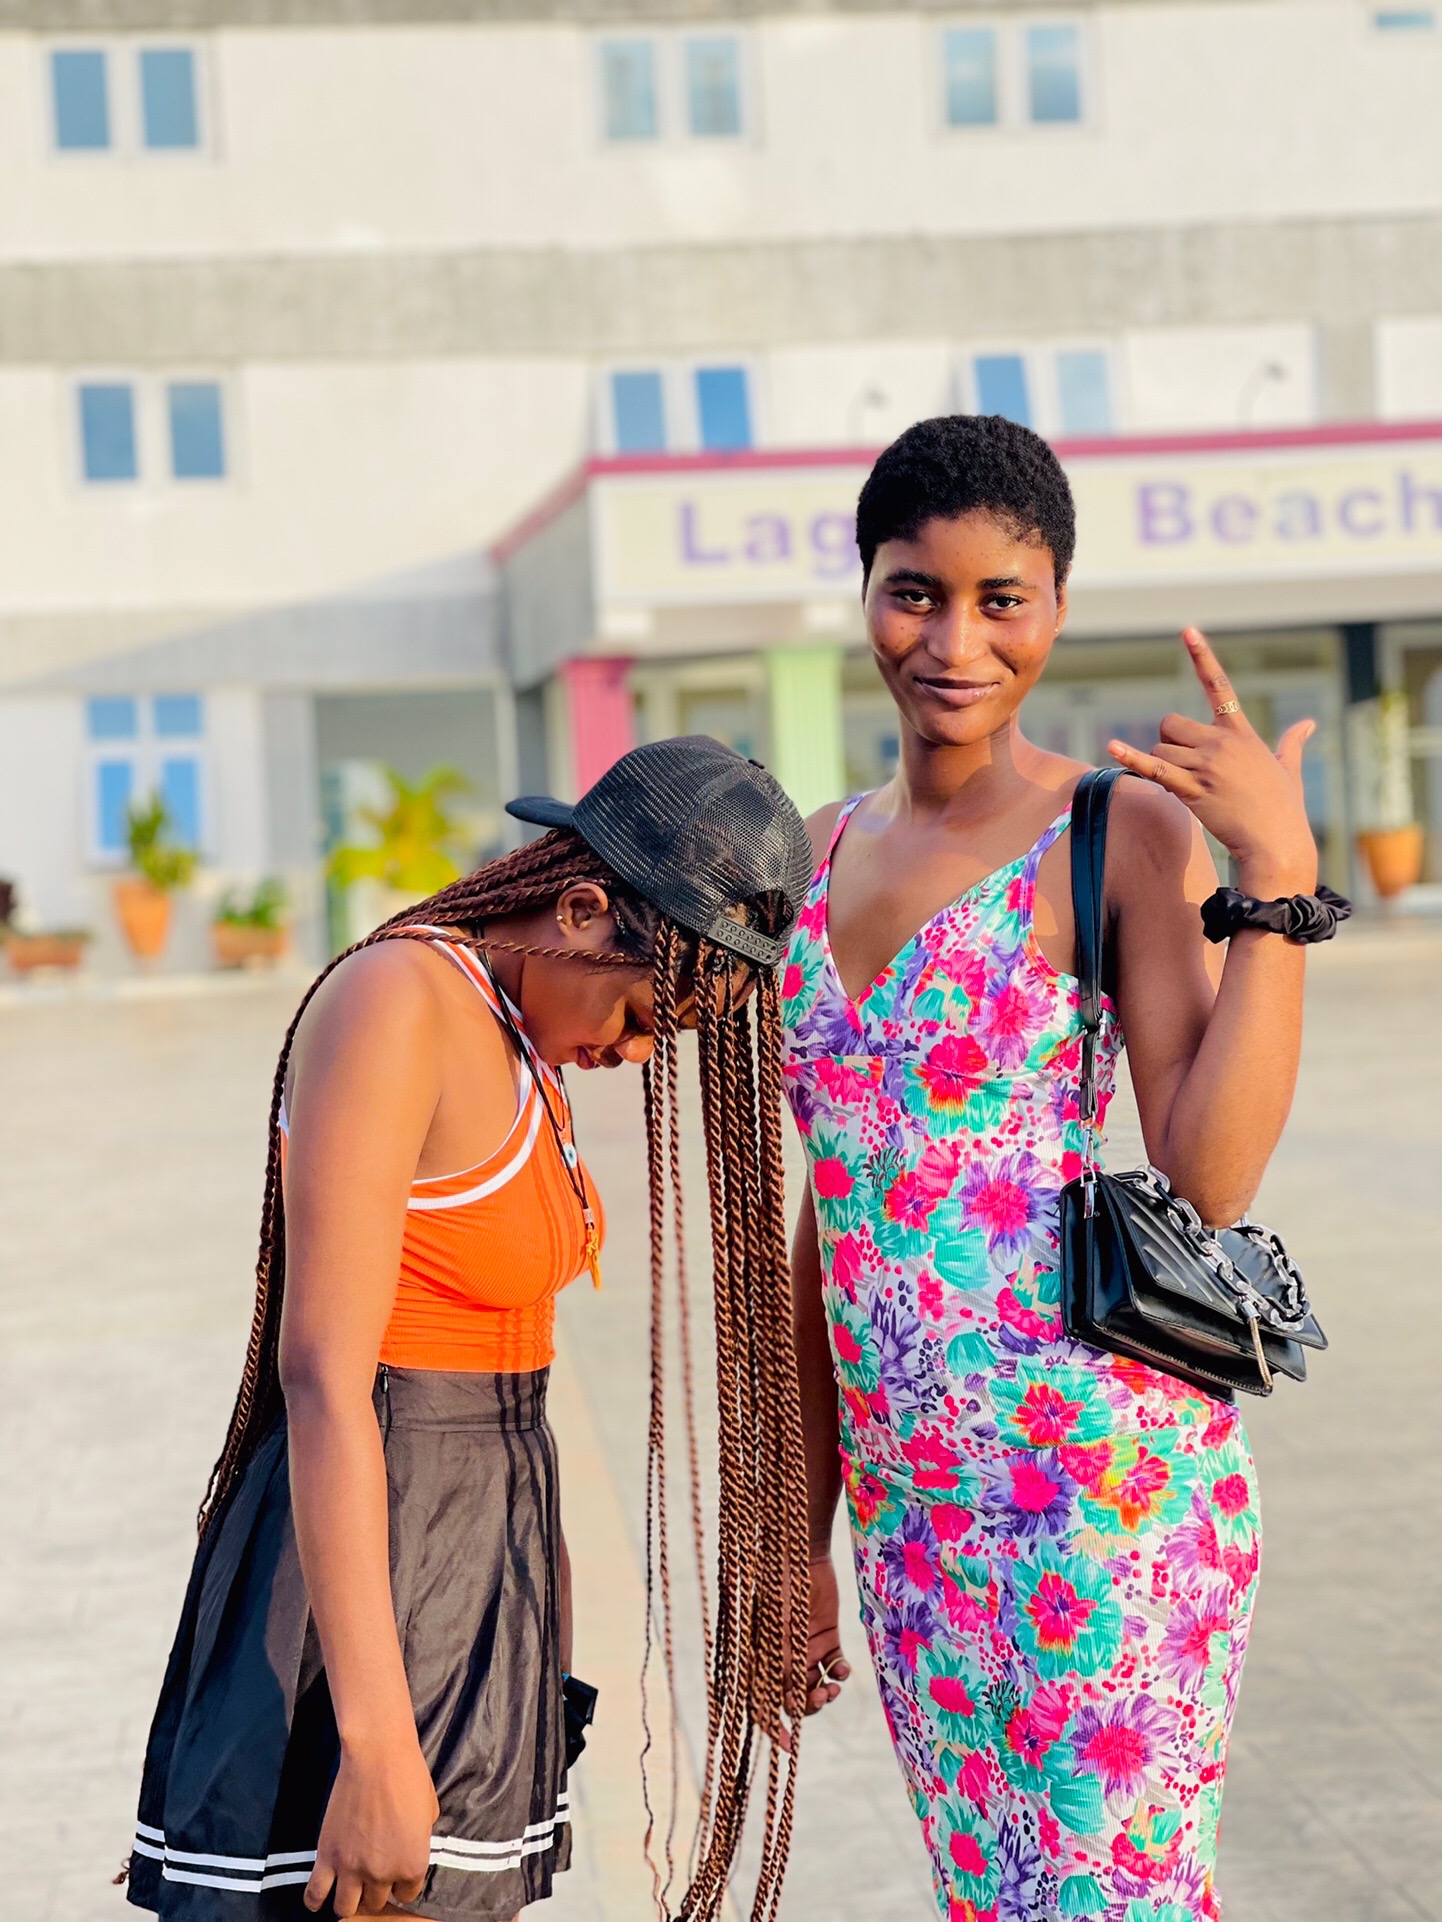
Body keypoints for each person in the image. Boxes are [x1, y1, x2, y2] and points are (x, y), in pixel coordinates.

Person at [125, 737, 815, 1922]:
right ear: (580, 908)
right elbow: (325, 1376)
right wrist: (375, 1740)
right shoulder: (401, 1001)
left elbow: (514, 1387)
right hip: (370, 1573)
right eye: (641, 1012)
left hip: (477, 1571)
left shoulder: (518, 1025)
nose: (632, 1053)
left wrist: (536, 1646)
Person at [783, 415, 1324, 1922]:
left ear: (1056, 608)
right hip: (913, 1524)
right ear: (865, 589)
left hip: (1099, 1492)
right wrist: (797, 1534)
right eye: (914, 591)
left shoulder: (1115, 831)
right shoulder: (809, 853)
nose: (953, 640)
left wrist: (1274, 881)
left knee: (1107, 1901)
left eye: (1000, 599)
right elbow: (827, 1225)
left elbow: (1206, 1177)